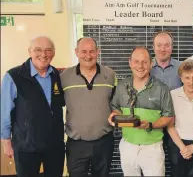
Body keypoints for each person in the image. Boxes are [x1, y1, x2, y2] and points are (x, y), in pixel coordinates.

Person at [1, 36, 65, 177]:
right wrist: (6, 141)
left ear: (53, 53)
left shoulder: (57, 75)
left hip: (54, 145)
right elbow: (4, 111)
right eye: (38, 50)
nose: (43, 54)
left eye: (48, 50)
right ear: (29, 51)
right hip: (26, 145)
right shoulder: (13, 76)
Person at [108, 46, 174, 176]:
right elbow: (115, 107)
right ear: (130, 62)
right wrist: (115, 116)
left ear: (151, 64)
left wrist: (150, 124)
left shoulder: (162, 88)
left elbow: (168, 117)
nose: (140, 65)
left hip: (153, 147)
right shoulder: (121, 86)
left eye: (144, 61)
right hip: (128, 145)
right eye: (136, 61)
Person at [60, 37, 117, 177]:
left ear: (98, 52)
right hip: (76, 143)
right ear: (76, 52)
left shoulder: (110, 75)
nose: (88, 55)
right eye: (84, 51)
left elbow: (116, 104)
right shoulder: (64, 76)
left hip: (104, 141)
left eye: (92, 51)